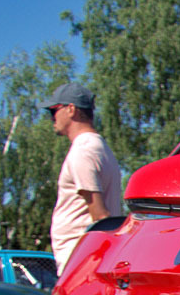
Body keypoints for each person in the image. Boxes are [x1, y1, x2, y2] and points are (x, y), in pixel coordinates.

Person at [44, 82, 122, 273]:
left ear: (71, 109)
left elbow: (100, 217)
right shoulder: (100, 147)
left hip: (81, 260)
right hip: (88, 259)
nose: (52, 118)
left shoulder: (83, 150)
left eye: (53, 111)